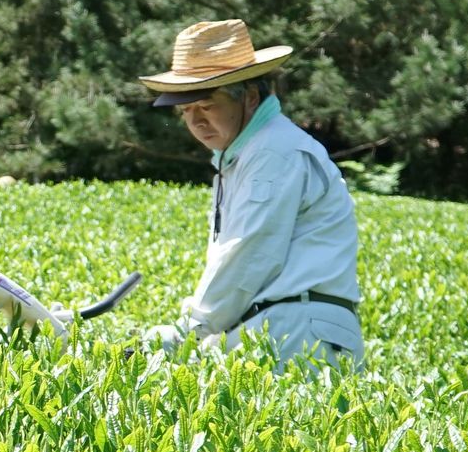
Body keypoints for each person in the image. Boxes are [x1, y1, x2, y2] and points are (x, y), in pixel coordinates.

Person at [138, 19, 364, 368]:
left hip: (296, 333)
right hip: (287, 328)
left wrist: (189, 331)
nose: (196, 122)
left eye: (207, 105)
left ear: (251, 97)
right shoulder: (248, 153)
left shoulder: (273, 152)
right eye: (186, 111)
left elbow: (250, 255)